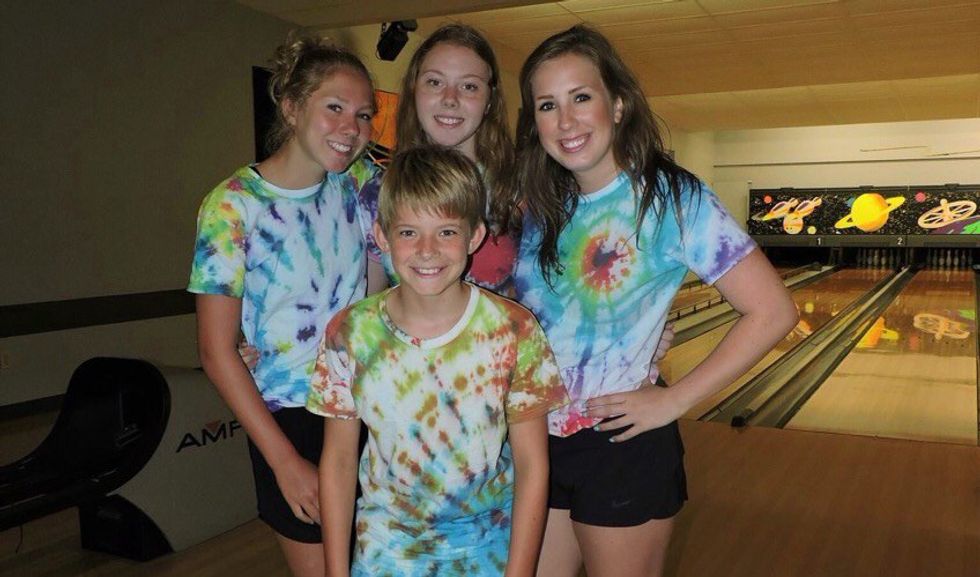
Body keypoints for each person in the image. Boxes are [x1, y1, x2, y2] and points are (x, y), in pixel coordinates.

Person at [512, 26, 799, 577]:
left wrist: (674, 401)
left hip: (620, 442)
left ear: (618, 104)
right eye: (547, 105)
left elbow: (772, 312)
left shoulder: (671, 198)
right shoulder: (540, 204)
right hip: (535, 441)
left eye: (581, 97)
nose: (566, 120)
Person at [308, 145, 569, 577]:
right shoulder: (348, 333)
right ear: (382, 237)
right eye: (408, 232)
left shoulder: (514, 329)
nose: (427, 250)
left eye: (446, 232)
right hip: (385, 553)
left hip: (488, 548)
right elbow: (338, 461)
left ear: (475, 236)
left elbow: (532, 466)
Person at [189, 36, 380, 577]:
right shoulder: (232, 206)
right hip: (289, 418)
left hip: (366, 404)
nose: (351, 127)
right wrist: (284, 462)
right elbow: (215, 351)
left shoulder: (361, 184)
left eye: (364, 115)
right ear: (292, 107)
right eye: (335, 107)